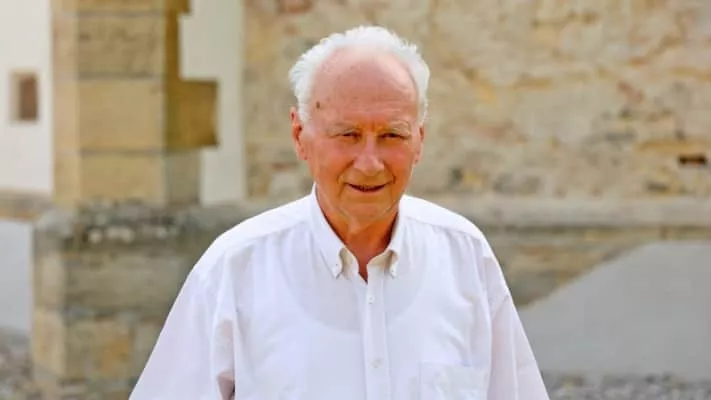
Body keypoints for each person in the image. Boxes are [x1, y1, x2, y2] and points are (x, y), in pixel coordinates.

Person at [130, 25, 550, 400]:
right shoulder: (234, 270)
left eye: (392, 135)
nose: (369, 162)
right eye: (347, 134)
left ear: (419, 140)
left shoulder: (466, 258)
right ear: (300, 135)